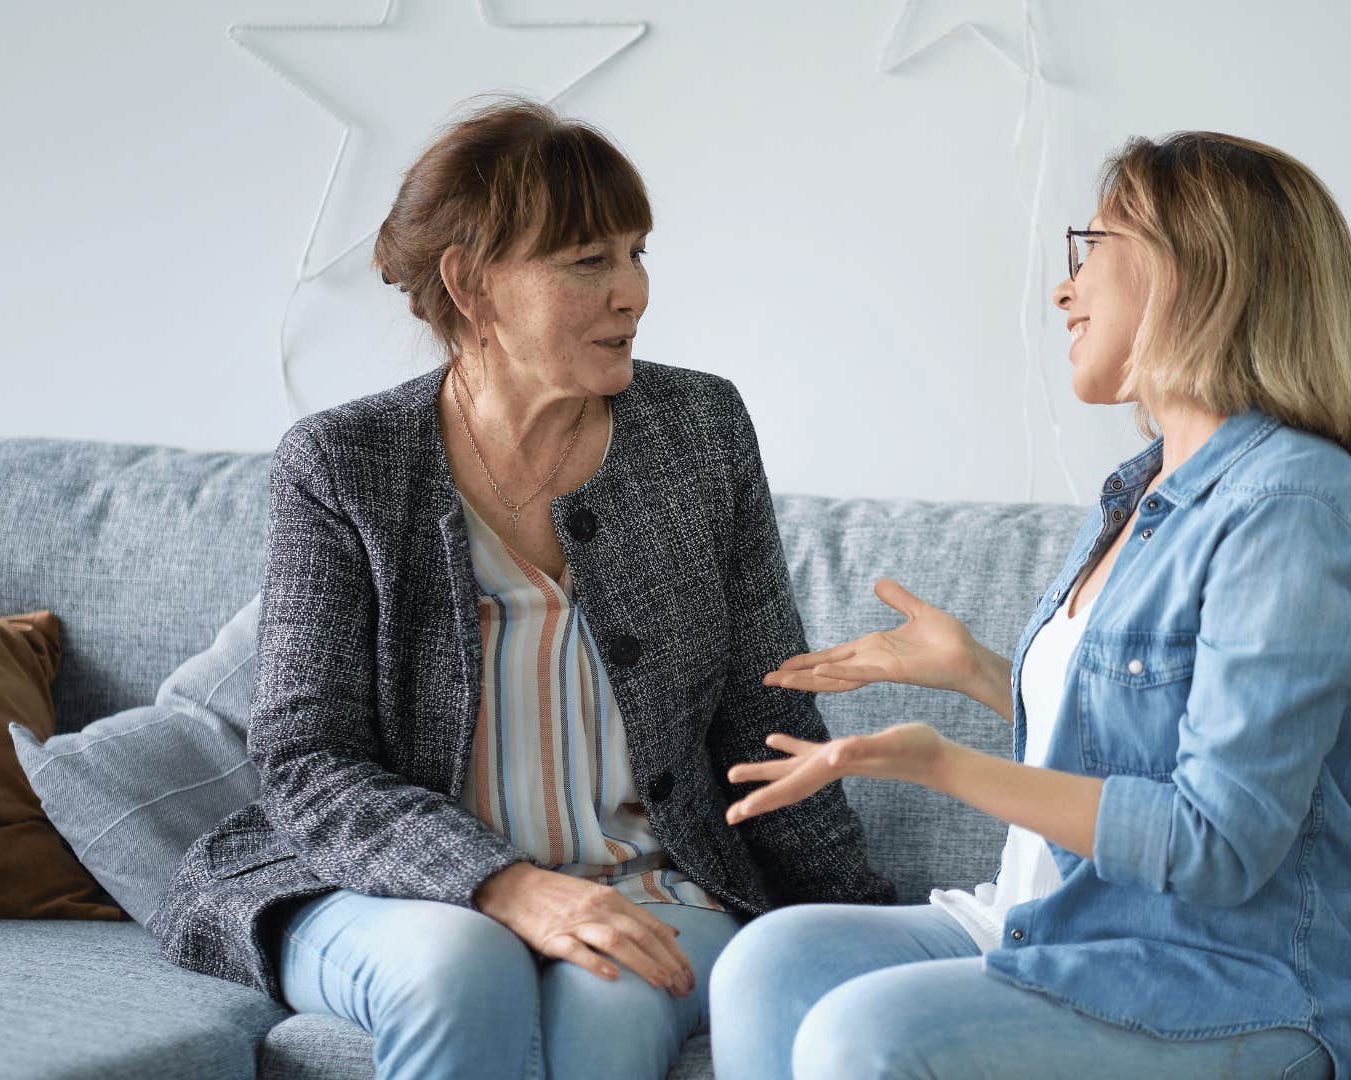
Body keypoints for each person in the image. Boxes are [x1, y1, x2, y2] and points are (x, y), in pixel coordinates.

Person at [147, 97, 893, 1080]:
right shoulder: (343, 463)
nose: (632, 292)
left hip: (650, 885)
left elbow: (766, 725)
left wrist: (888, 940)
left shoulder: (699, 430)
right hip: (394, 893)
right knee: (459, 964)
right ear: (472, 284)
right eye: (589, 262)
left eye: (637, 252)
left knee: (619, 996)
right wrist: (499, 885)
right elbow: (307, 759)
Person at [708, 132, 1351, 1080]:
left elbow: (1216, 840)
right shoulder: (1143, 494)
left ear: (1193, 270)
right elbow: (1151, 742)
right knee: (769, 963)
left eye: (1093, 246)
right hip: (1060, 927)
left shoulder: (1290, 510)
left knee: (863, 1035)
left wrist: (940, 765)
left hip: (1217, 976)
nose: (1064, 289)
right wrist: (979, 672)